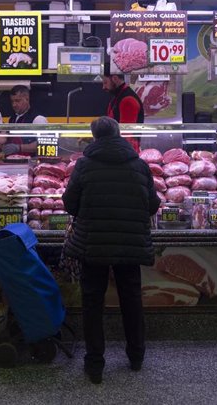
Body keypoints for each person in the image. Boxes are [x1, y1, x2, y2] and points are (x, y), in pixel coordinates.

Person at [62, 116, 160, 385]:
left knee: (92, 302)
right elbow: (152, 205)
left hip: (92, 244)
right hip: (130, 243)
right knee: (131, 299)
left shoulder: (83, 165)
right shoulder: (139, 166)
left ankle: (95, 364)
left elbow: (70, 204)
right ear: (119, 134)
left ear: (95, 137)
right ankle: (136, 356)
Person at [0, 85, 48, 158]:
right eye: (12, 101)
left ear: (27, 99)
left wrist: (19, 147)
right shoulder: (12, 119)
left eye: (17, 101)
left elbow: (44, 144)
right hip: (13, 162)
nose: (14, 105)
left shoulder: (38, 119)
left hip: (31, 163)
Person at [102, 73, 144, 151]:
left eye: (105, 82)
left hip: (125, 152)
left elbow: (126, 134)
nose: (103, 87)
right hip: (118, 149)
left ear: (115, 78)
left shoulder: (128, 99)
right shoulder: (118, 96)